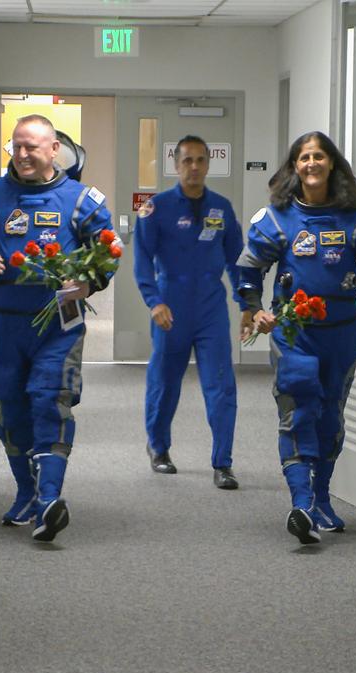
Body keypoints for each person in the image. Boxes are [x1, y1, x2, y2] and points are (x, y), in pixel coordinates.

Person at [0, 114, 114, 542]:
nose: (22, 154)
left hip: (59, 321)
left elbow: (108, 252)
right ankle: (26, 491)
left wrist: (89, 282)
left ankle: (50, 500)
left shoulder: (81, 200)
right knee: (10, 408)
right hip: (5, 321)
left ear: (54, 149)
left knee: (50, 399)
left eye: (31, 147)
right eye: (16, 146)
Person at [237, 131, 356, 544]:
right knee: (298, 412)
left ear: (332, 164)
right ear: (294, 167)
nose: (311, 164)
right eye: (303, 158)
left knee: (330, 416)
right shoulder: (276, 218)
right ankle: (300, 505)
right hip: (295, 333)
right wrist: (253, 307)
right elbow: (248, 270)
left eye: (318, 156)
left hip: (343, 335)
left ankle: (321, 496)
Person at [133, 135, 247, 489]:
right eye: (187, 160)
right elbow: (141, 263)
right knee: (165, 383)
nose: (194, 167)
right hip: (172, 307)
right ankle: (159, 447)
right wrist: (154, 302)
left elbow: (238, 262)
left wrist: (247, 305)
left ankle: (223, 462)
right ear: (176, 164)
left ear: (208, 164)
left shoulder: (221, 207)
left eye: (200, 160)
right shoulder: (157, 208)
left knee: (221, 386)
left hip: (211, 309)